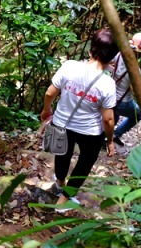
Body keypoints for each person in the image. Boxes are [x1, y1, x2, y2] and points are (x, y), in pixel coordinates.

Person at [40, 29, 119, 205]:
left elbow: (50, 92)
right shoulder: (107, 84)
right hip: (89, 132)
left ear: (91, 50)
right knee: (85, 162)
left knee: (62, 154)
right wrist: (110, 140)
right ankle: (65, 199)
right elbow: (108, 119)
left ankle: (59, 182)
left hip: (61, 122)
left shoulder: (69, 66)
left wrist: (46, 110)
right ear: (112, 57)